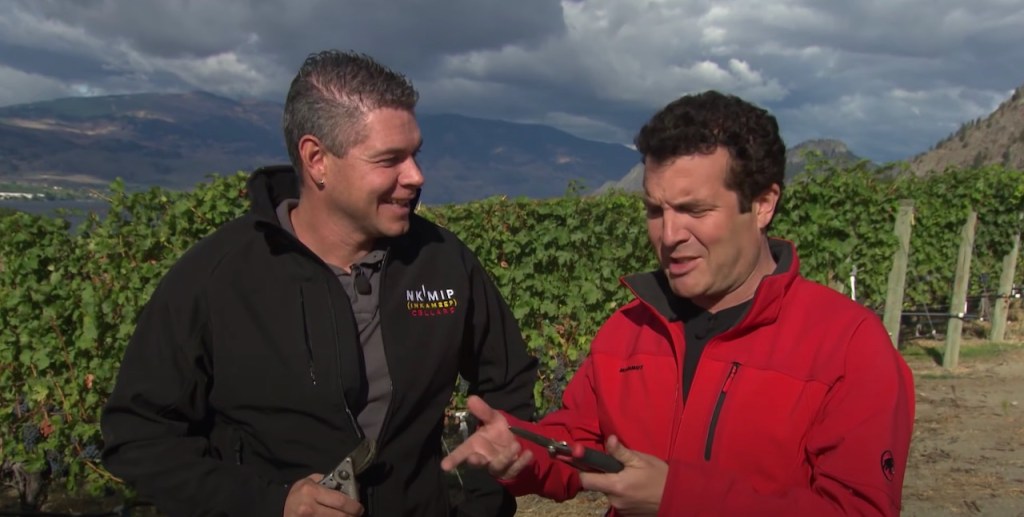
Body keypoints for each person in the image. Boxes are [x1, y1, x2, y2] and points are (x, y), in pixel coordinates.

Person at [100, 50, 538, 517]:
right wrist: (270, 503)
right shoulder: (218, 278)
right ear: (317, 160)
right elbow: (139, 435)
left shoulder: (443, 263)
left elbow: (507, 381)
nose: (415, 177)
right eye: (390, 159)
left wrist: (485, 497)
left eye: (415, 154)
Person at [441, 90, 916, 516]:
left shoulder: (849, 346)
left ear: (764, 204)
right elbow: (579, 442)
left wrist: (678, 500)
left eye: (694, 210)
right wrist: (523, 452)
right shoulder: (628, 330)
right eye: (655, 210)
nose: (669, 236)